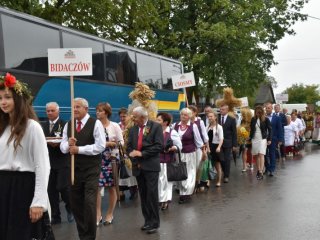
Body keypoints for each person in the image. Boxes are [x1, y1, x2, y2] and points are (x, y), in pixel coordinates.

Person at [0, 73, 50, 239]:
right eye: (0, 98)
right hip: (3, 187)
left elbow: (42, 165)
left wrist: (39, 202)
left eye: (7, 97)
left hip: (22, 189)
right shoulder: (3, 128)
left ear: (19, 99)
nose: (3, 102)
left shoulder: (32, 127)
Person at [60, 97, 106, 240]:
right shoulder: (69, 125)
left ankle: (90, 236)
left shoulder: (95, 123)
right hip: (74, 170)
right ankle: (82, 235)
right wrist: (68, 144)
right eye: (73, 107)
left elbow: (100, 146)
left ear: (86, 109)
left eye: (78, 107)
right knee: (76, 204)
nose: (75, 110)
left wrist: (78, 149)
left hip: (91, 169)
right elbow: (63, 148)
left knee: (89, 202)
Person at [127, 106, 163, 234]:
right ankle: (147, 221)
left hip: (151, 166)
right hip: (138, 167)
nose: (133, 119)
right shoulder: (133, 129)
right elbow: (129, 147)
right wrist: (134, 157)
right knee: (143, 194)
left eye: (135, 117)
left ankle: (155, 222)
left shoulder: (155, 127)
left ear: (143, 117)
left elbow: (159, 146)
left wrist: (142, 154)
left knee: (152, 194)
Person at [42, 102, 74, 225]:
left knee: (62, 187)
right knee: (51, 191)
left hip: (62, 161)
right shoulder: (43, 125)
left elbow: (66, 141)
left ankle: (70, 207)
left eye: (52, 110)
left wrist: (58, 142)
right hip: (49, 161)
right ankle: (56, 216)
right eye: (48, 111)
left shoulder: (65, 124)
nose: (49, 113)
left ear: (58, 111)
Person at [95, 102, 124, 226]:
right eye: (97, 110)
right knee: (97, 186)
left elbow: (121, 142)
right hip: (98, 158)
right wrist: (105, 144)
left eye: (100, 110)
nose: (97, 112)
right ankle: (97, 214)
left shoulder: (114, 126)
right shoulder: (95, 125)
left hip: (112, 158)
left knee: (112, 186)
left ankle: (110, 213)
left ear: (106, 113)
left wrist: (115, 143)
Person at [172, 108, 203, 203]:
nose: (183, 116)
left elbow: (198, 142)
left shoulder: (193, 126)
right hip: (178, 154)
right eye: (182, 114)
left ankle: (186, 193)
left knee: (189, 173)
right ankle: (183, 191)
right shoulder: (175, 126)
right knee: (181, 172)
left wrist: (202, 152)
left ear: (189, 116)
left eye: (185, 115)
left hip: (190, 153)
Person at [156, 112, 182, 210]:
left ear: (165, 122)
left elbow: (179, 146)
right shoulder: (154, 131)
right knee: (159, 181)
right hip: (157, 161)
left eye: (159, 120)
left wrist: (172, 148)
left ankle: (166, 200)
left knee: (167, 181)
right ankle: (160, 199)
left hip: (168, 161)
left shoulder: (172, 132)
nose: (156, 121)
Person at [118, 107, 138, 201]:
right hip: (120, 153)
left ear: (129, 117)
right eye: (121, 116)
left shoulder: (133, 127)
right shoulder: (117, 126)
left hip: (129, 154)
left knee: (131, 175)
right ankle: (120, 194)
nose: (122, 118)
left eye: (124, 116)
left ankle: (133, 192)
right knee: (120, 174)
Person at [249, 105, 272, 180]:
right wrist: (249, 137)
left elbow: (270, 130)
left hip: (262, 139)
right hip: (255, 139)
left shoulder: (266, 119)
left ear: (262, 112)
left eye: (259, 112)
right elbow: (251, 130)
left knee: (261, 154)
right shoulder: (253, 119)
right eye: (256, 112)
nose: (257, 114)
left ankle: (261, 171)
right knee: (256, 155)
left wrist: (269, 139)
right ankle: (258, 169)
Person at [218, 103, 237, 183]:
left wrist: (234, 145)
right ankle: (223, 170)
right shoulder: (217, 118)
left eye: (223, 109)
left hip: (228, 142)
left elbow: (234, 133)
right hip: (218, 143)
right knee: (221, 159)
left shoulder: (231, 119)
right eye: (220, 109)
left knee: (227, 159)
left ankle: (226, 175)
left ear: (227, 110)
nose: (221, 111)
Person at [265, 102, 283, 176]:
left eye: (268, 108)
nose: (267, 109)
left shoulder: (277, 118)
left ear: (272, 108)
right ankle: (267, 167)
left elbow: (280, 129)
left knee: (272, 154)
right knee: (264, 154)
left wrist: (280, 139)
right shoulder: (263, 117)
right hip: (264, 139)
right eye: (266, 108)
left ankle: (272, 169)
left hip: (273, 138)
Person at [207, 111, 223, 187]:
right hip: (208, 147)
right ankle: (208, 180)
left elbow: (221, 139)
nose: (209, 118)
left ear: (215, 117)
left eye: (211, 116)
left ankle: (219, 180)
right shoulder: (207, 127)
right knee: (208, 165)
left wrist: (219, 147)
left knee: (217, 165)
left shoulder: (219, 127)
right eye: (208, 116)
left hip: (216, 147)